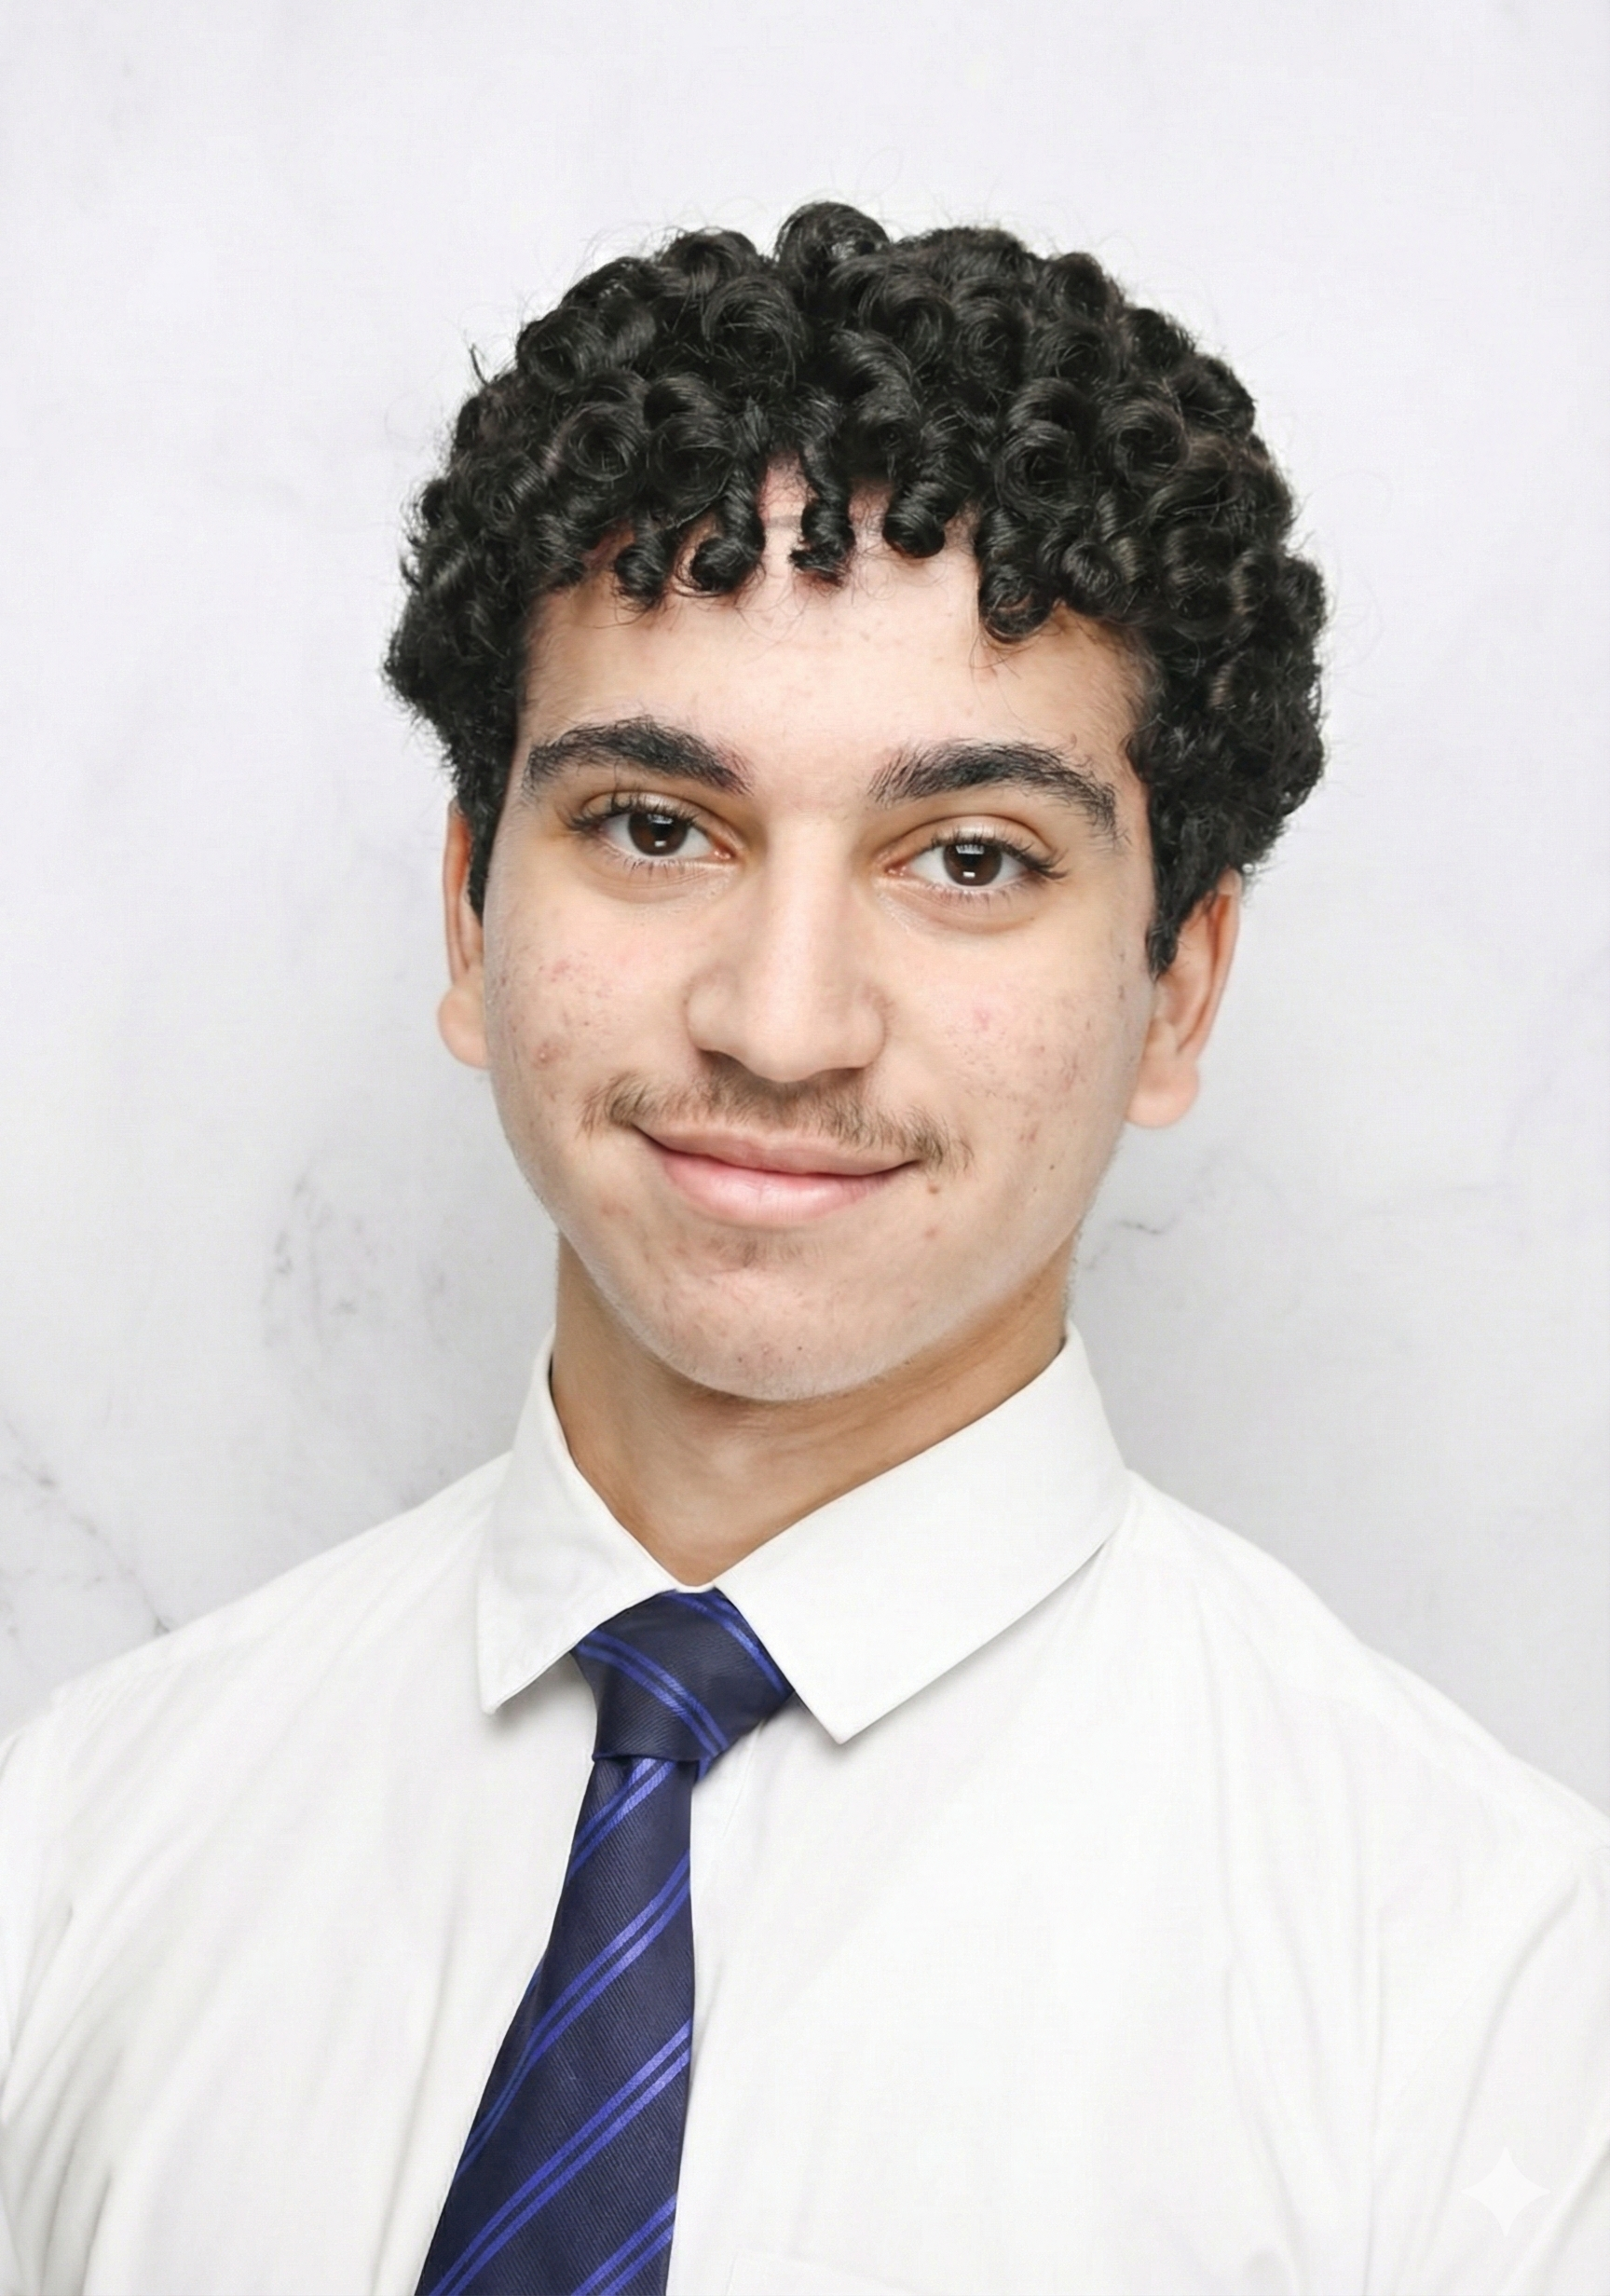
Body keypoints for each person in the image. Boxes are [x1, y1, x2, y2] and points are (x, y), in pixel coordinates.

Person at [0, 204, 1604, 2296]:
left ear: (1181, 987)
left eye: (971, 859)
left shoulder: (1491, 2018)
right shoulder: (80, 1851)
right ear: (472, 913)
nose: (778, 1022)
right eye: (657, 826)